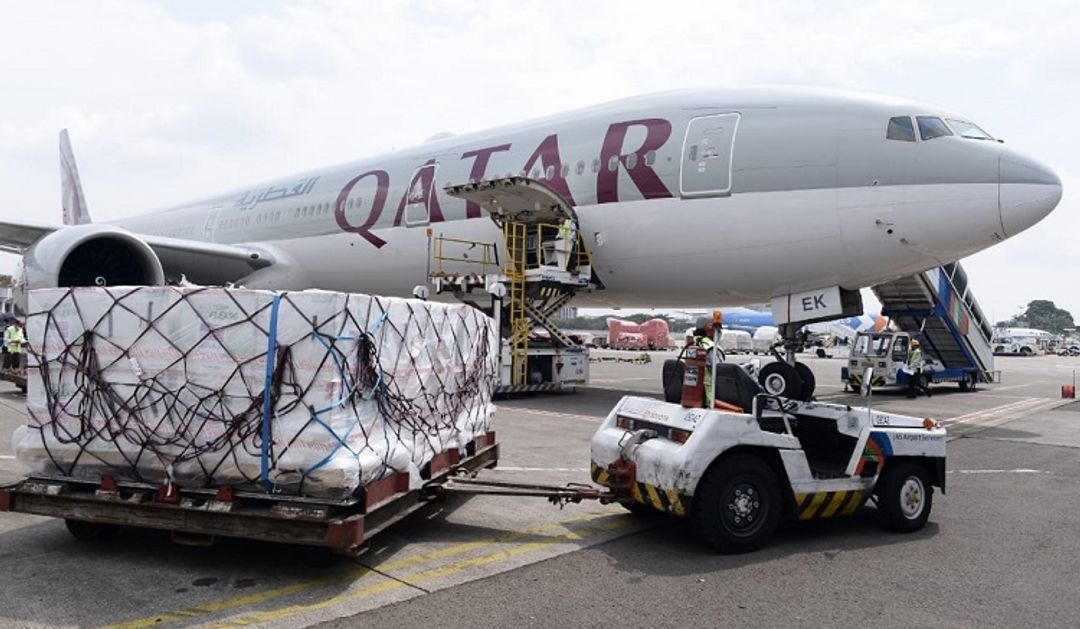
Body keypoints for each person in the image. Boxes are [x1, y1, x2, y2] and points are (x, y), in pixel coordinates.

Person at [691, 317, 722, 408]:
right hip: (709, 398)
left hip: (692, 394)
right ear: (710, 330)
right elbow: (720, 370)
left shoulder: (692, 345)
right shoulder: (711, 348)